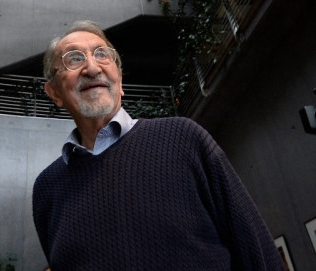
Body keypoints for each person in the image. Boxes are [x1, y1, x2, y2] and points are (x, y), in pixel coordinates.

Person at [32, 20, 284, 270]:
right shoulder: (47, 189)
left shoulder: (184, 139)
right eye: (74, 59)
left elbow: (256, 249)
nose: (92, 67)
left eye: (102, 55)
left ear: (119, 81)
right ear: (54, 92)